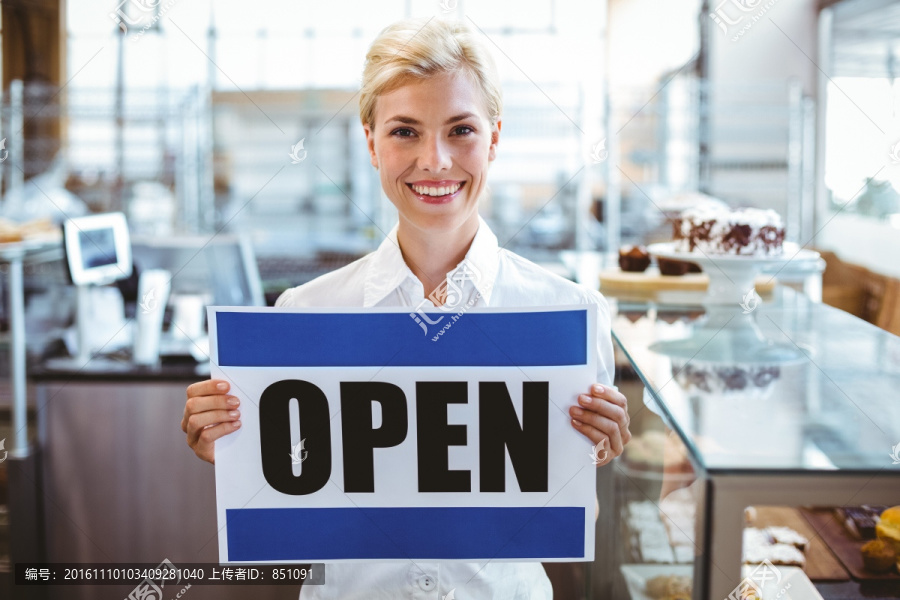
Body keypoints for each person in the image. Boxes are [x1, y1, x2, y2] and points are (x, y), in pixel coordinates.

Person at [181, 16, 630, 599]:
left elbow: (565, 519)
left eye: (461, 129)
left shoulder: (571, 316)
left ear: (495, 137)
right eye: (405, 132)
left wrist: (592, 450)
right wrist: (236, 449)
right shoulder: (306, 315)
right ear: (370, 142)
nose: (436, 160)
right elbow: (291, 497)